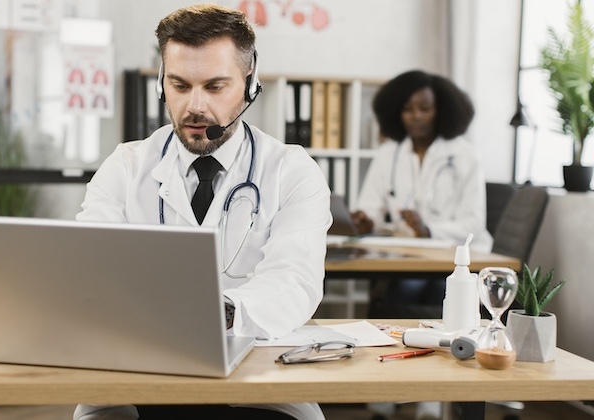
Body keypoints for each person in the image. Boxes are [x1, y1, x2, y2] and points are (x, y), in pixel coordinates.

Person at [73, 4, 331, 420]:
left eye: (214, 87)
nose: (194, 107)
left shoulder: (291, 170)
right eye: (179, 85)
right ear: (161, 83)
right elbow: (88, 269)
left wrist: (216, 313)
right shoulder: (126, 166)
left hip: (257, 386)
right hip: (139, 379)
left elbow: (294, 281)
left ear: (250, 84)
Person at [351, 70, 491, 420]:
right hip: (406, 256)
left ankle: (427, 402)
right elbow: (369, 207)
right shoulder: (389, 153)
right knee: (410, 288)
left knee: (419, 292)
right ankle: (385, 397)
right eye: (408, 109)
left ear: (441, 110)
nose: (415, 116)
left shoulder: (464, 156)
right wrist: (364, 220)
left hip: (456, 256)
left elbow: (474, 222)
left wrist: (429, 227)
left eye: (424, 108)